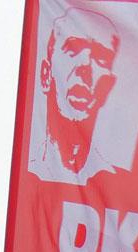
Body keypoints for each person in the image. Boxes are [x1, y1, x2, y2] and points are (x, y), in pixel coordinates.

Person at [30, 6, 120, 185]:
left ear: (108, 88)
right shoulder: (29, 177)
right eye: (73, 50)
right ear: (45, 74)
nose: (84, 66)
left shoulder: (121, 187)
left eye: (100, 57)